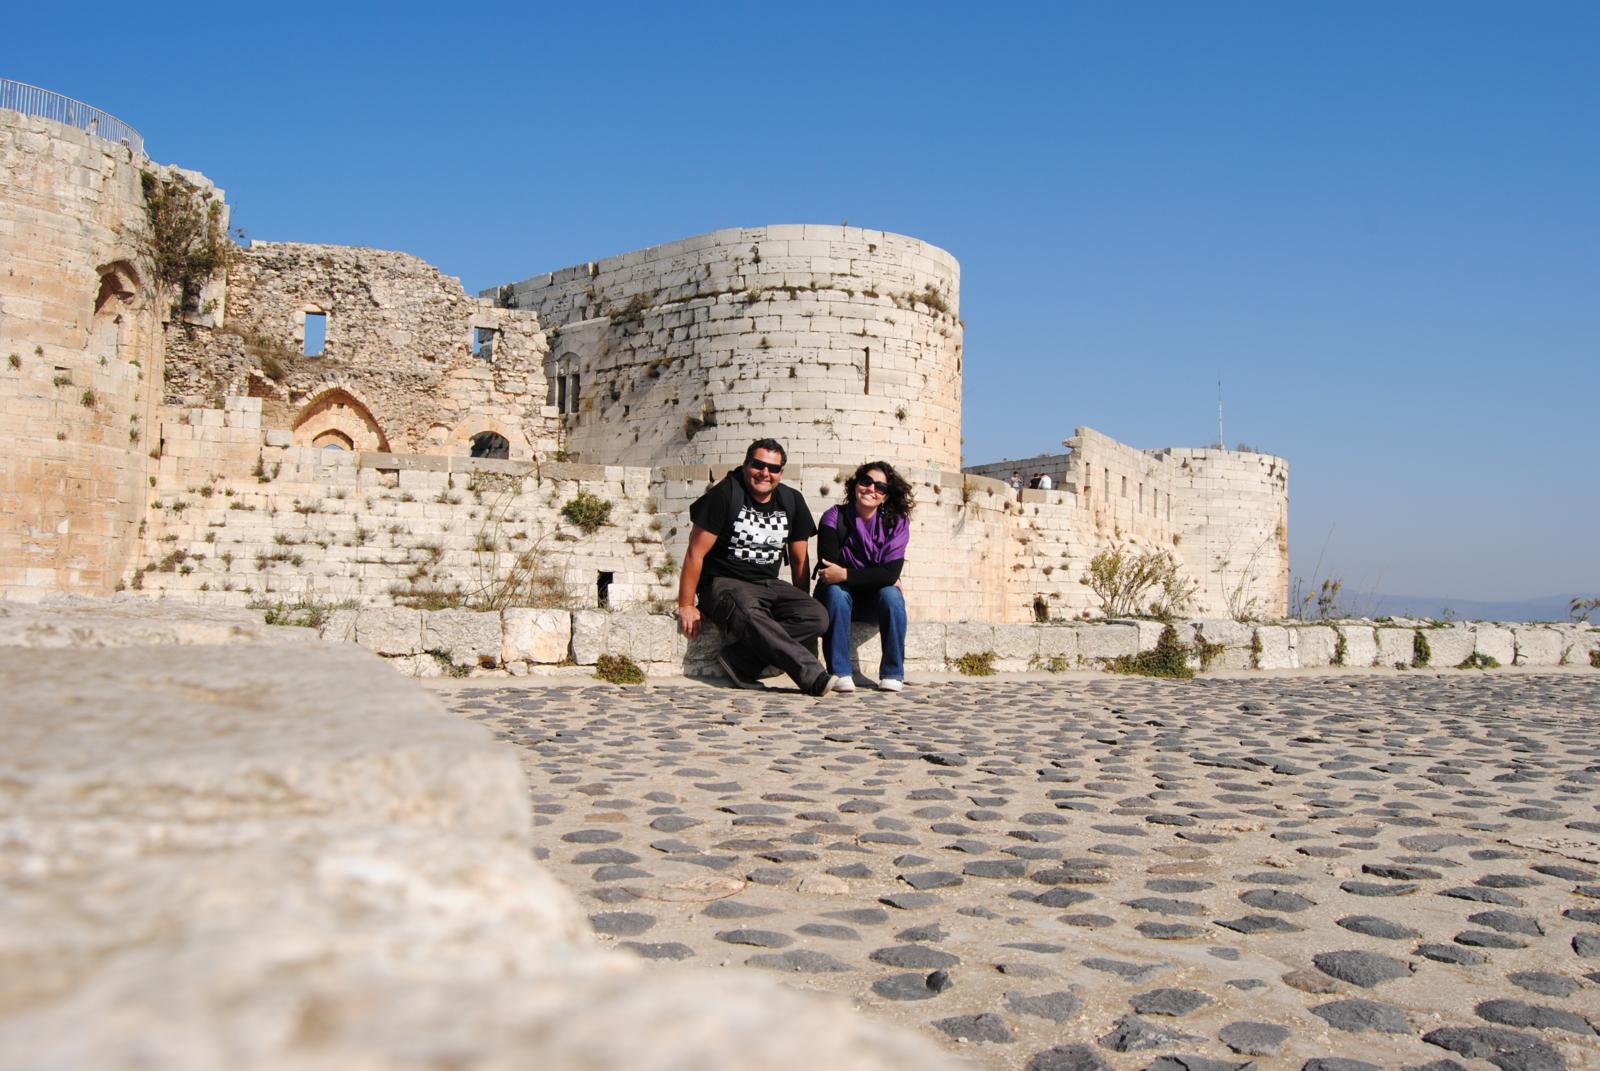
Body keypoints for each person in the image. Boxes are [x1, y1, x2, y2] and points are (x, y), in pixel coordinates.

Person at [677, 438, 836, 696]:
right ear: (746, 465)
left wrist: (798, 601)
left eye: (773, 468)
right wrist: (686, 604)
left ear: (781, 473)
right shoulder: (725, 494)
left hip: (768, 584)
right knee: (750, 613)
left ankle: (740, 660)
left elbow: (799, 560)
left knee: (817, 616)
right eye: (758, 465)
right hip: (723, 583)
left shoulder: (792, 500)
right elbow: (695, 552)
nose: (765, 473)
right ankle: (812, 676)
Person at [813, 461, 914, 692]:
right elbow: (828, 568)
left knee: (892, 595)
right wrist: (878, 575)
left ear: (886, 496)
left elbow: (890, 574)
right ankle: (840, 672)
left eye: (880, 487)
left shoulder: (896, 523)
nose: (871, 489)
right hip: (837, 598)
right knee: (837, 592)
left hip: (873, 601)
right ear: (855, 484)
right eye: (866, 482)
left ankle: (893, 673)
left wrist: (846, 573)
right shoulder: (833, 517)